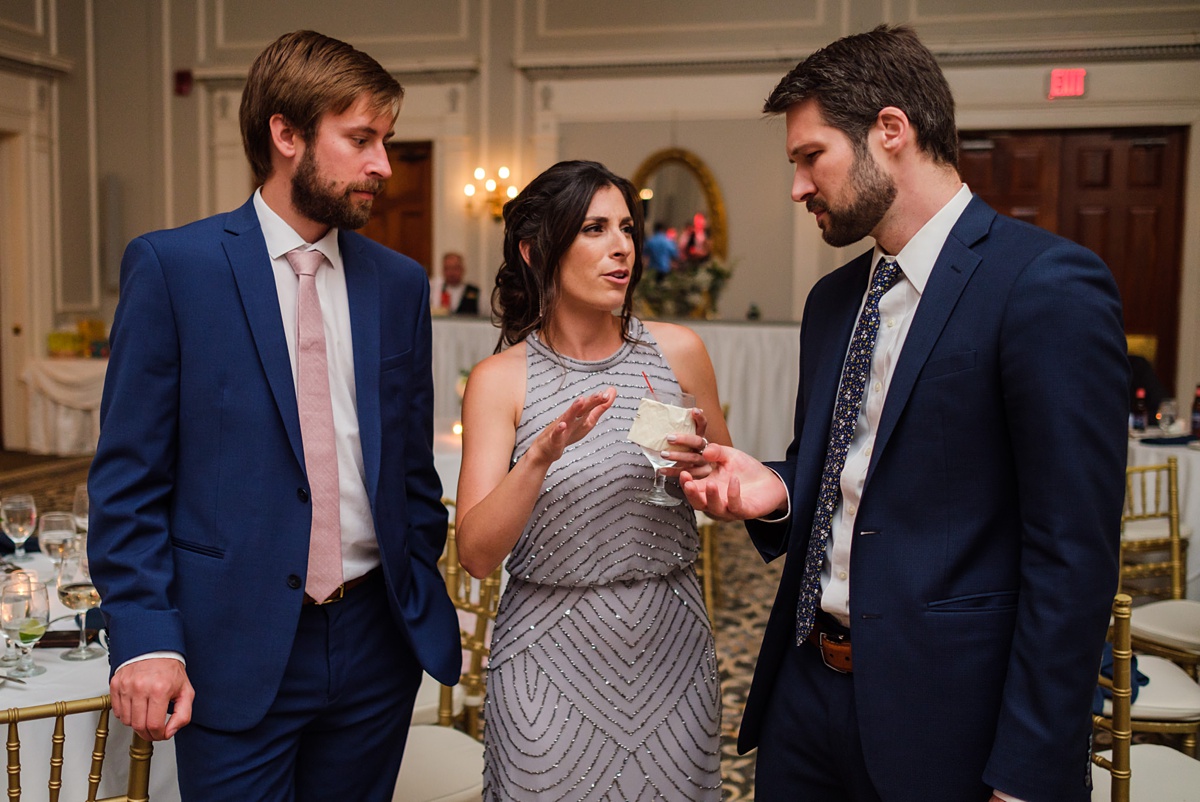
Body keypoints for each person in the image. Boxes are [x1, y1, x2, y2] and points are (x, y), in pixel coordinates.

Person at [680, 25, 1129, 802]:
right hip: (805, 696)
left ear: (891, 131)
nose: (796, 187)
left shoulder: (1044, 285)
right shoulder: (831, 303)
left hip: (954, 719)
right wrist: (776, 488)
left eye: (809, 156)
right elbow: (852, 475)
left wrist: (1027, 771)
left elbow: (1074, 558)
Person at [87, 30, 460, 801]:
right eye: (360, 139)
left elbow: (411, 473)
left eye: (384, 141)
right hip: (233, 647)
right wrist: (147, 638)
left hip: (373, 647)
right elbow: (127, 483)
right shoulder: (174, 269)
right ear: (284, 134)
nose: (382, 165)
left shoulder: (397, 285)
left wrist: (412, 578)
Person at [455, 160, 730, 801]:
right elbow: (474, 554)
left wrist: (707, 469)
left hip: (670, 647)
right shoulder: (500, 381)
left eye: (628, 229)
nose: (621, 248)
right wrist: (541, 455)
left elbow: (732, 500)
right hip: (548, 660)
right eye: (594, 229)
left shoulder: (678, 352)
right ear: (534, 250)